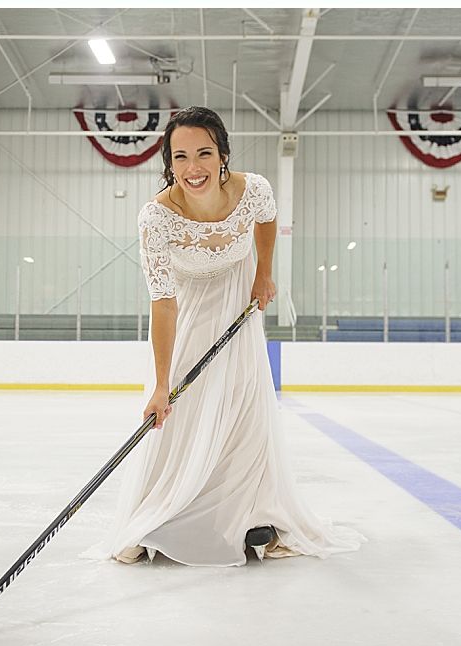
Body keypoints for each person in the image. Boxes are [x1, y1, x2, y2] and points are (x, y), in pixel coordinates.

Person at [106, 104, 361, 567]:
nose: (192, 168)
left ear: (223, 154)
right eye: (179, 157)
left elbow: (267, 221)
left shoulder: (254, 188)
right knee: (185, 408)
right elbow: (162, 302)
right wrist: (161, 385)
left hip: (240, 299)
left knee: (244, 405)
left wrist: (263, 274)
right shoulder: (156, 218)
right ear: (168, 162)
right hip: (190, 309)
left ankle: (249, 513)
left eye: (203, 153)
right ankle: (161, 512)